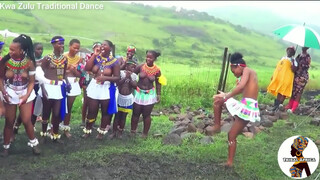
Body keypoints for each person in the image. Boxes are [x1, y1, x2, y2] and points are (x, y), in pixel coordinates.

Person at [212, 52, 260, 167]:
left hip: (248, 108)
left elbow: (241, 86)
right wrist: (226, 95)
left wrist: (225, 96)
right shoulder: (247, 73)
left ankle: (217, 127)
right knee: (218, 103)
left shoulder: (247, 70)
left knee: (231, 134)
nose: (234, 74)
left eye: (233, 71)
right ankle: (217, 127)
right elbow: (240, 89)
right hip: (246, 105)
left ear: (238, 66)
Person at [0, 34, 40, 156]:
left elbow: (32, 82)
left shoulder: (30, 63)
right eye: (10, 49)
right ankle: (6, 146)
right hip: (10, 92)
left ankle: (34, 144)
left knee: (27, 120)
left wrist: (26, 96)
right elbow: (0, 79)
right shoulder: (5, 61)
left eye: (13, 49)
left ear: (21, 50)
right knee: (9, 121)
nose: (10, 51)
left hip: (25, 92)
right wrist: (4, 93)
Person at [82, 40, 120, 139]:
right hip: (95, 86)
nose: (102, 46)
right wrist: (94, 55)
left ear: (110, 48)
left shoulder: (114, 62)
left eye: (105, 45)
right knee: (91, 110)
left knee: (105, 112)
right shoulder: (96, 58)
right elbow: (87, 68)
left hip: (106, 88)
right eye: (101, 45)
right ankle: (88, 130)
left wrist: (105, 78)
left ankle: (101, 133)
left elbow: (117, 78)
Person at [37, 36, 70, 143]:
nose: (61, 46)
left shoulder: (64, 59)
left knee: (56, 114)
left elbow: (63, 74)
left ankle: (55, 134)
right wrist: (42, 89)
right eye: (59, 43)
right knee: (46, 113)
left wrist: (68, 83)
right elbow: (40, 74)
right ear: (53, 44)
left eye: (62, 43)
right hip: (47, 87)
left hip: (58, 88)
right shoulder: (47, 58)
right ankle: (43, 135)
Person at [130, 50, 166, 138]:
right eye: (147, 57)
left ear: (155, 59)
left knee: (146, 115)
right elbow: (132, 77)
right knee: (135, 113)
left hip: (149, 95)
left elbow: (158, 83)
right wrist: (135, 86)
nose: (148, 59)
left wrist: (158, 94)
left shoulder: (157, 70)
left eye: (150, 57)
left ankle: (145, 133)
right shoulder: (140, 67)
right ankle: (133, 131)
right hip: (139, 93)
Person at [12, 42, 44, 139]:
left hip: (39, 85)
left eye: (41, 49)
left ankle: (32, 126)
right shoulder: (29, 60)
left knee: (36, 108)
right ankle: (16, 125)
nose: (40, 51)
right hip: (30, 86)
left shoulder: (44, 60)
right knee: (25, 108)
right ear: (33, 50)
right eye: (38, 49)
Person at [109, 60, 138, 139]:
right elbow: (118, 83)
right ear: (126, 66)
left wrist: (130, 78)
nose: (132, 69)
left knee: (123, 117)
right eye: (131, 67)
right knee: (117, 116)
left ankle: (120, 132)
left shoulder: (134, 76)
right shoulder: (121, 73)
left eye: (134, 67)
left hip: (128, 99)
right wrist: (125, 77)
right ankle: (114, 132)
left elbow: (135, 86)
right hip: (119, 97)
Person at [60, 39, 82, 138]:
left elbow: (80, 74)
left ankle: (65, 128)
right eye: (74, 47)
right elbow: (61, 72)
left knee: (68, 107)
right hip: (62, 82)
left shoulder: (79, 59)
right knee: (58, 105)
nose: (76, 50)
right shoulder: (63, 56)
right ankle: (53, 127)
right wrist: (69, 70)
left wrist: (72, 70)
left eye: (78, 48)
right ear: (69, 46)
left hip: (73, 83)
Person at [267, 46, 297, 112]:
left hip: (287, 78)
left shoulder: (294, 60)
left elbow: (294, 69)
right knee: (279, 91)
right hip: (281, 77)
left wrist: (293, 63)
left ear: (293, 53)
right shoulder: (283, 58)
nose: (289, 52)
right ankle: (276, 106)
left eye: (291, 51)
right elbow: (278, 67)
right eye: (289, 50)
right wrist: (274, 75)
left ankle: (279, 106)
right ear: (287, 51)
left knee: (284, 92)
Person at [80, 42, 101, 128]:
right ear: (93, 48)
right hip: (88, 79)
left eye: (100, 48)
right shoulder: (89, 56)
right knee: (86, 101)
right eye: (97, 48)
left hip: (97, 80)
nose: (98, 49)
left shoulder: (102, 58)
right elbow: (86, 69)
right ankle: (83, 120)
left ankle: (93, 120)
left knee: (96, 102)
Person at [286, 47, 311, 113]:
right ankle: (290, 105)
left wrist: (296, 63)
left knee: (299, 92)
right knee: (293, 91)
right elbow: (295, 65)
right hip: (296, 75)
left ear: (307, 48)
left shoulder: (308, 56)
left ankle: (294, 108)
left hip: (302, 76)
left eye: (305, 46)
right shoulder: (299, 55)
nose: (303, 47)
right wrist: (293, 61)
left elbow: (305, 66)